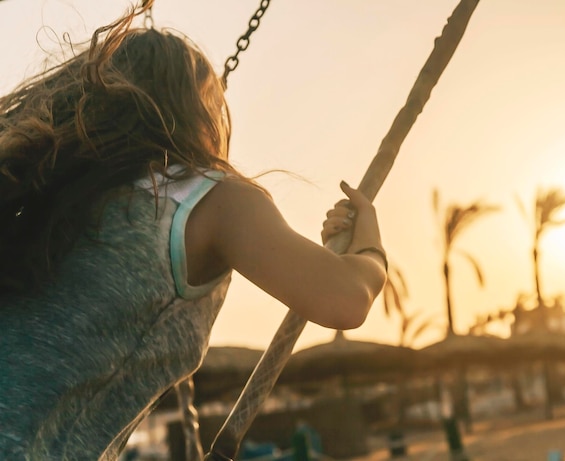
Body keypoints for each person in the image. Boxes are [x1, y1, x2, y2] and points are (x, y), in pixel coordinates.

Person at [0, 3, 387, 460]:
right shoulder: (211, 199)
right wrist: (370, 247)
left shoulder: (45, 200)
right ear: (197, 114)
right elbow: (344, 297)